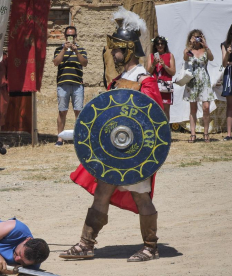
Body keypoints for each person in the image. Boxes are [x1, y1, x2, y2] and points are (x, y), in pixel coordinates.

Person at [59, 7, 163, 262]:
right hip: (112, 151)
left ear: (127, 49)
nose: (113, 53)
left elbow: (152, 117)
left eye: (116, 49)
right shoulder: (120, 78)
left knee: (141, 196)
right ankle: (87, 243)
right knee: (102, 192)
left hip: (135, 153)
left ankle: (151, 246)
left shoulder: (143, 78)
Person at [53, 26, 88, 147]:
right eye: (68, 35)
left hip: (78, 84)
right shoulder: (59, 49)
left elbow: (84, 63)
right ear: (65, 36)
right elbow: (56, 62)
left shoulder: (81, 49)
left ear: (76, 36)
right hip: (63, 84)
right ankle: (60, 138)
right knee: (62, 111)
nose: (70, 37)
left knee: (78, 111)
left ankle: (78, 137)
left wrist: (76, 51)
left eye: (72, 35)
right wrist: (64, 49)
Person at [183, 29, 215, 143]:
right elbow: (185, 58)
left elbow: (211, 58)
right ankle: (193, 134)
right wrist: (190, 46)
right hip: (192, 81)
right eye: (194, 37)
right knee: (193, 108)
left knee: (206, 107)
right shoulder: (188, 50)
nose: (196, 39)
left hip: (204, 80)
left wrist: (205, 45)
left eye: (198, 37)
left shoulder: (205, 50)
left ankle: (206, 133)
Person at [147, 36, 176, 121]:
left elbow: (173, 72)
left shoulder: (170, 55)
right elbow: (148, 72)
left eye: (162, 43)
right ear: (155, 45)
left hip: (165, 86)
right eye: (158, 44)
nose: (160, 46)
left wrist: (164, 66)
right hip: (155, 86)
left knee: (166, 110)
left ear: (165, 45)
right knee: (154, 108)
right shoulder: (151, 56)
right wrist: (153, 64)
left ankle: (166, 130)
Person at [221, 24, 232, 141]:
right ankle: (229, 133)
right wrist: (228, 53)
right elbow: (223, 63)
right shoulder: (225, 45)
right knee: (230, 104)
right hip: (229, 72)